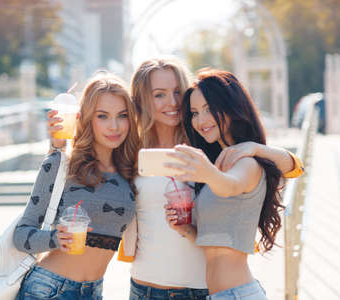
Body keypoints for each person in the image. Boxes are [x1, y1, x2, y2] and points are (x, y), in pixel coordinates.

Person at [48, 57, 303, 300]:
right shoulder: (129, 150)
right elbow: (72, 174)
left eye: (177, 92)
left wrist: (255, 148)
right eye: (159, 94)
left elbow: (292, 168)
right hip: (144, 287)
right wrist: (57, 145)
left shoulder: (207, 144)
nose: (171, 102)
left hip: (202, 289)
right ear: (142, 99)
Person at [164, 68, 289, 299]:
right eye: (194, 113)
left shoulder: (247, 164)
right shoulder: (220, 164)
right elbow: (217, 247)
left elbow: (230, 185)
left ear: (232, 108)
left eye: (208, 109)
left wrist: (205, 171)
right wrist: (187, 231)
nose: (200, 120)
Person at [13, 72, 140, 300]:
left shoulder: (130, 172)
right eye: (102, 116)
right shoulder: (61, 164)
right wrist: (55, 238)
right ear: (86, 118)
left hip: (94, 292)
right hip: (48, 289)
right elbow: (21, 235)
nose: (114, 126)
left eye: (122, 116)